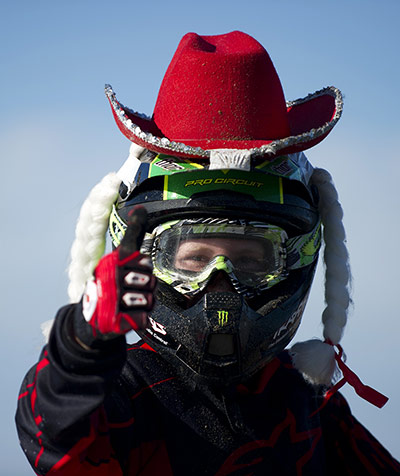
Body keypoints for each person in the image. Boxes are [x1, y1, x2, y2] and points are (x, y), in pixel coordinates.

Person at [16, 31, 400, 475]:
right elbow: (51, 437)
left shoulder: (308, 404)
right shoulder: (124, 395)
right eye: (195, 258)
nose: (222, 285)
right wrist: (82, 342)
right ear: (145, 259)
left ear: (296, 257)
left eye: (253, 260)